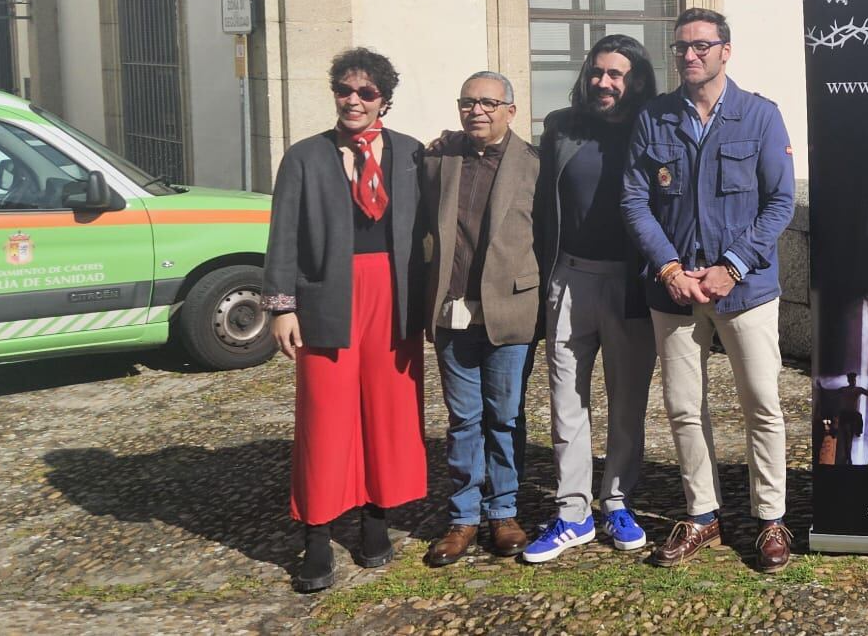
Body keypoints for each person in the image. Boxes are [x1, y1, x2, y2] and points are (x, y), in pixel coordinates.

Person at [623, 8, 798, 572]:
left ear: (726, 51)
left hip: (743, 288)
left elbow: (780, 203)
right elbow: (634, 199)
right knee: (682, 407)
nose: (689, 55)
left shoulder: (760, 116)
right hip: (673, 289)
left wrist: (733, 264)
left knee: (762, 404)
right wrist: (670, 268)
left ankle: (770, 518)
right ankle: (702, 514)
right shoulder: (654, 118)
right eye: (680, 48)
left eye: (701, 45)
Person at [265, 47, 425, 593]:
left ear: (384, 99)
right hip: (325, 296)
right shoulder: (306, 156)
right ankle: (315, 534)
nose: (353, 101)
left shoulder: (409, 154)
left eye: (366, 93)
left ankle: (376, 517)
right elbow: (282, 235)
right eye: (344, 90)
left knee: (389, 409)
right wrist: (282, 306)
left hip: (393, 296)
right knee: (324, 415)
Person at [523, 35, 662, 562]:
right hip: (570, 277)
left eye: (617, 74)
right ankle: (573, 512)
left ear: (637, 81)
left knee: (628, 402)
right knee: (566, 401)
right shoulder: (562, 126)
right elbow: (532, 192)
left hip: (631, 282)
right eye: (598, 72)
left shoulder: (652, 127)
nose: (605, 82)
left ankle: (618, 500)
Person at [412, 72, 542, 567]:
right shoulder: (436, 159)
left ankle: (504, 511)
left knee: (505, 416)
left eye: (488, 102)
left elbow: (546, 237)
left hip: (510, 309)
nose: (477, 111)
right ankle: (463, 516)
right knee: (464, 419)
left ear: (510, 109)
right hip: (451, 310)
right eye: (468, 102)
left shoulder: (534, 166)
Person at [817, 372, 868, 466]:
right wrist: (821, 387)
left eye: (854, 380)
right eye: (852, 380)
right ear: (849, 380)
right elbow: (831, 394)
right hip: (845, 414)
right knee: (846, 437)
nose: (853, 381)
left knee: (850, 434)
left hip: (852, 415)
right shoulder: (844, 389)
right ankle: (847, 457)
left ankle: (855, 436)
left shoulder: (858, 390)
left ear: (855, 380)